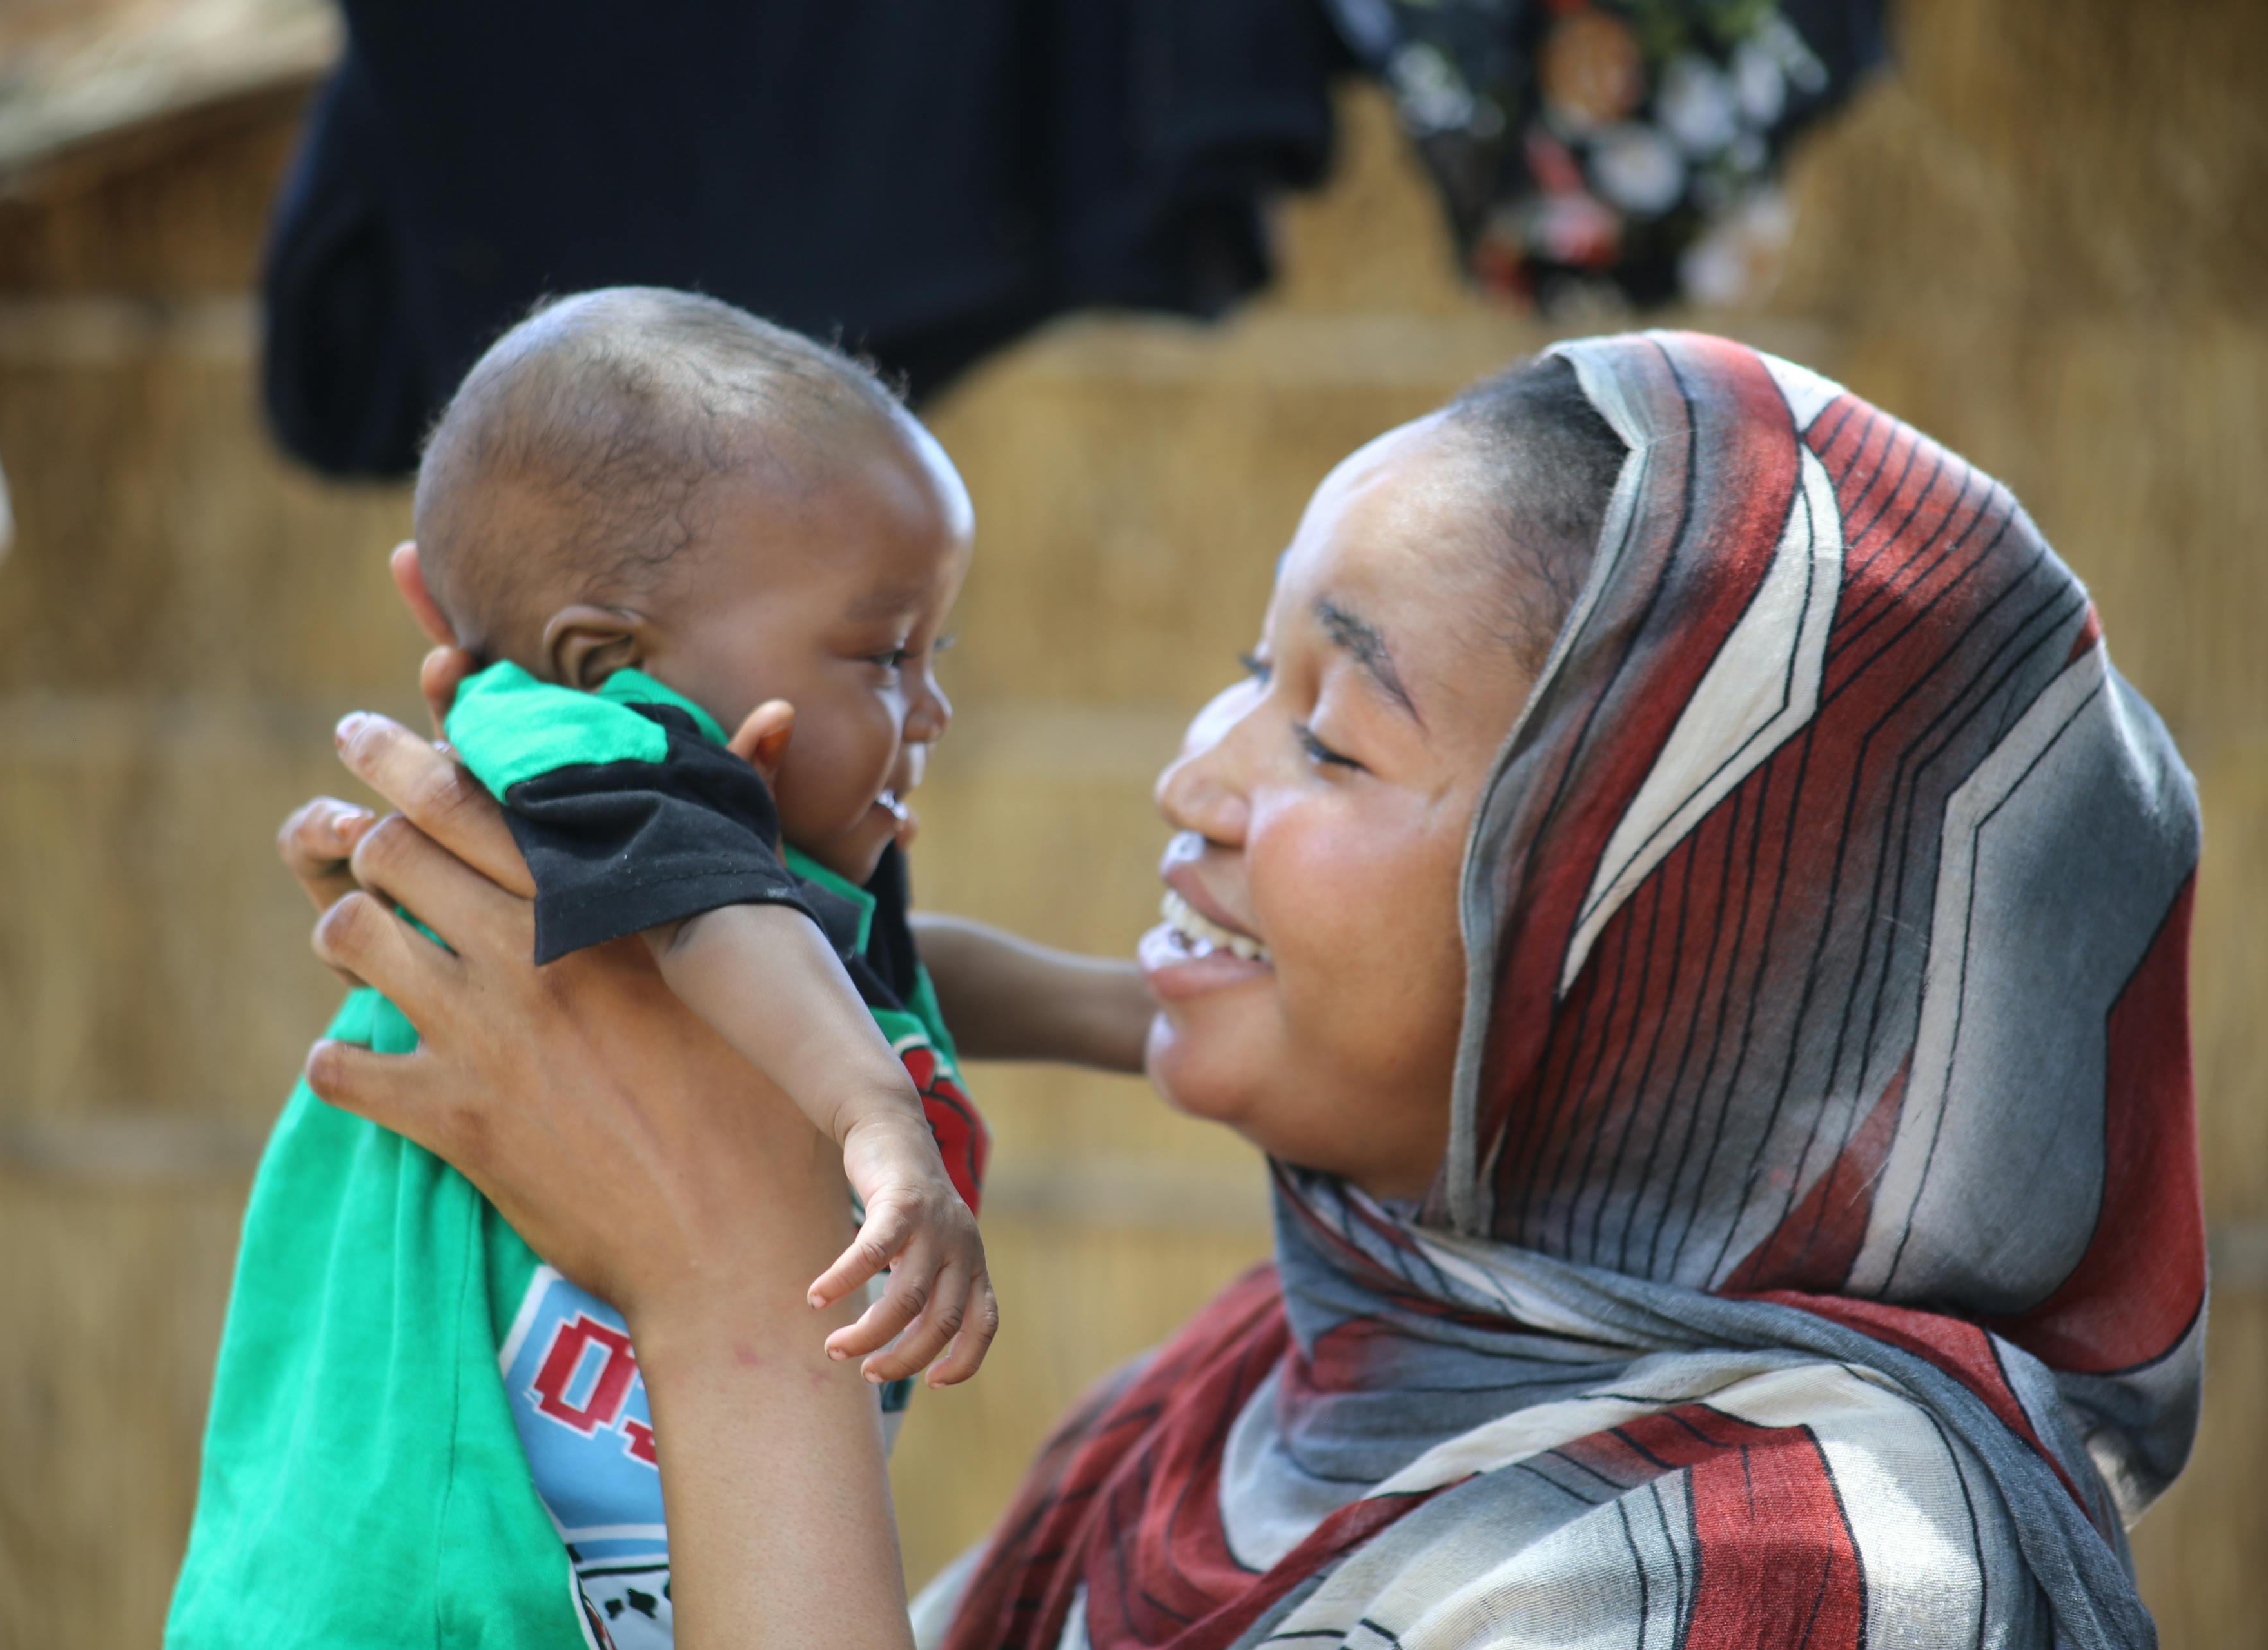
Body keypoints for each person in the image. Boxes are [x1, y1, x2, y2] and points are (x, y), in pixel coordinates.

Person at [277, 331, 2203, 1648]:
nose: (1195, 781)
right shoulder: (1214, 1428)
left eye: (1336, 740)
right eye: (1239, 673)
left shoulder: (1802, 1573)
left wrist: (730, 1313)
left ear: (1692, 959)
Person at [170, 289, 1157, 1648]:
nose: (932, 708)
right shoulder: (582, 742)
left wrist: (1139, 1015)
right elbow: (718, 929)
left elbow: (887, 968)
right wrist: (878, 1120)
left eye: (939, 652)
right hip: (420, 1590)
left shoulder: (753, 871)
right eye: (883, 652)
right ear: (608, 660)